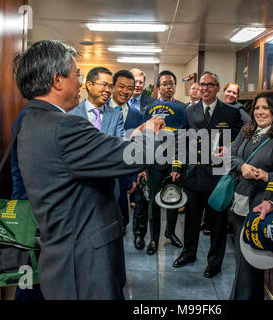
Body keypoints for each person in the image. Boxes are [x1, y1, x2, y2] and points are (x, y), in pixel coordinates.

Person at [12, 40, 165, 299]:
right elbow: (136, 155)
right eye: (77, 75)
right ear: (57, 80)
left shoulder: (30, 119)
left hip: (62, 253)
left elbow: (98, 155)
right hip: (84, 264)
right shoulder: (64, 126)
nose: (80, 83)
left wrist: (132, 138)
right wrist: (149, 134)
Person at [172, 71, 242, 279]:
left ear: (217, 88)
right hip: (193, 173)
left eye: (210, 85)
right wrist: (176, 167)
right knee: (191, 219)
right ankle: (189, 253)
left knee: (217, 223)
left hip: (218, 176)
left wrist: (228, 148)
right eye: (202, 85)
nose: (205, 88)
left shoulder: (229, 112)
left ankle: (214, 263)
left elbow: (239, 139)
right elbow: (181, 140)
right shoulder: (190, 111)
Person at [228, 92, 273, 300]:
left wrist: (266, 176)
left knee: (250, 265)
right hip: (239, 204)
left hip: (261, 208)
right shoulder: (247, 130)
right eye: (257, 108)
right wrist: (242, 166)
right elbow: (231, 155)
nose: (260, 112)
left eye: (265, 108)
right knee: (242, 263)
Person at [143, 70, 186, 254]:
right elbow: (144, 138)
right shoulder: (150, 109)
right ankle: (153, 238)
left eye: (172, 83)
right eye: (164, 83)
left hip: (175, 162)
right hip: (154, 162)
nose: (169, 86)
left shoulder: (183, 108)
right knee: (154, 201)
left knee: (173, 199)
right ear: (158, 87)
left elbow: (185, 137)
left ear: (175, 86)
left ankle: (170, 232)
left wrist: (177, 164)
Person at [10, 106, 44, 300]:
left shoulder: (30, 114)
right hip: (29, 212)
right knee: (29, 279)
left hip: (30, 209)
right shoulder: (32, 117)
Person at [109, 70, 145, 233]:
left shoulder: (136, 114)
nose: (125, 91)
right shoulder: (100, 110)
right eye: (121, 86)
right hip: (103, 171)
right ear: (113, 87)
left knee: (121, 220)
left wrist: (132, 176)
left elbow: (137, 147)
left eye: (129, 88)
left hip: (125, 172)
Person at [129, 68, 155, 249]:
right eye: (134, 81)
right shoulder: (116, 103)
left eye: (140, 82)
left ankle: (139, 234)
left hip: (143, 159)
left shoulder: (152, 105)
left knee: (141, 200)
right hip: (121, 156)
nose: (137, 85)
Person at [69, 67, 125, 137]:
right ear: (89, 85)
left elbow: (120, 142)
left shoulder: (116, 115)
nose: (108, 90)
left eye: (110, 87)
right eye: (103, 85)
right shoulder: (71, 113)